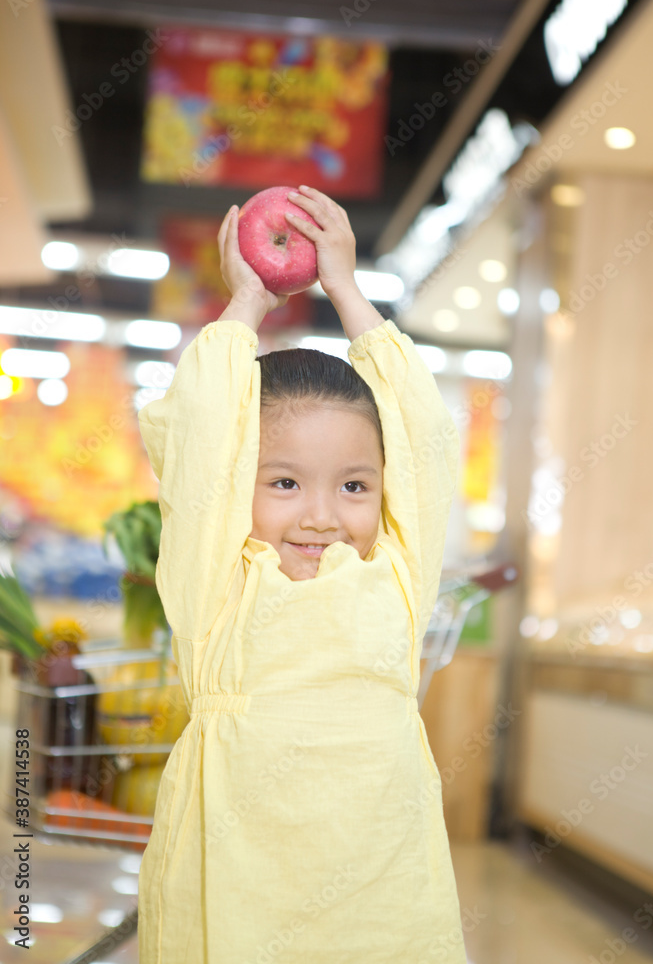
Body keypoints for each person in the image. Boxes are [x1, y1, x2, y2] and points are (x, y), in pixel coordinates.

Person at [136, 185, 465, 963]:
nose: (321, 515)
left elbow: (422, 434)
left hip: (381, 894)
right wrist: (246, 300)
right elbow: (204, 430)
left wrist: (347, 289)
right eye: (283, 483)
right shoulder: (216, 580)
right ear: (236, 481)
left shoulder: (396, 573)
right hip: (235, 888)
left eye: (353, 486)